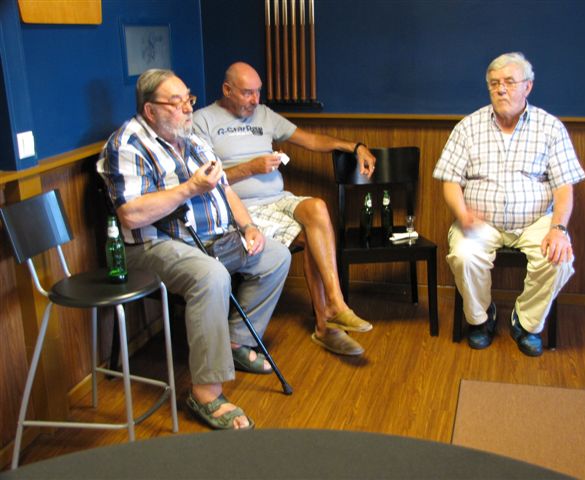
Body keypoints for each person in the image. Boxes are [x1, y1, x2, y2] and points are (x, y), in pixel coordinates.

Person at [97, 69, 291, 430]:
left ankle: (235, 343)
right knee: (211, 276)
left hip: (213, 239)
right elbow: (131, 214)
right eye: (177, 102)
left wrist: (248, 227)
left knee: (276, 256)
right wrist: (189, 189)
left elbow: (225, 190)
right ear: (150, 110)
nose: (187, 108)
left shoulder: (193, 140)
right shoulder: (127, 145)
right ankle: (205, 394)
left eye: (188, 99)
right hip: (154, 246)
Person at [193, 62, 377, 356]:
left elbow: (311, 140)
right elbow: (204, 181)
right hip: (240, 210)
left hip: (278, 199)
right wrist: (251, 168)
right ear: (227, 90)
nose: (255, 100)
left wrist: (355, 147)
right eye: (247, 93)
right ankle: (326, 326)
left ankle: (335, 304)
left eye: (258, 92)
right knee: (314, 239)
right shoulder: (202, 121)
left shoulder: (264, 114)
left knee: (316, 207)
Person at [433, 52, 585, 357]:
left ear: (528, 86)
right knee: (463, 255)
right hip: (481, 221)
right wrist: (463, 214)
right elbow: (450, 180)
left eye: (509, 82)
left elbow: (564, 187)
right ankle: (481, 318)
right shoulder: (468, 127)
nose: (501, 89)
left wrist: (558, 228)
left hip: (536, 221)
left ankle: (526, 323)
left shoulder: (550, 128)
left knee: (559, 258)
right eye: (494, 83)